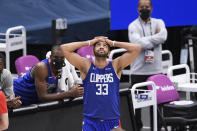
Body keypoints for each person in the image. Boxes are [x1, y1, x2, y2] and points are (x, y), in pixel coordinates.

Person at [60, 36, 141, 131]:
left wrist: (113, 43)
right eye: (98, 45)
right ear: (93, 51)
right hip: (91, 122)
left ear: (109, 52)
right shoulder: (86, 66)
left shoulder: (115, 65)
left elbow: (137, 48)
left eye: (105, 45)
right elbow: (64, 48)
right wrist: (89, 42)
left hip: (112, 121)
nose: (101, 47)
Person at [128, 0, 167, 130]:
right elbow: (138, 44)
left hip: (156, 71)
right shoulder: (133, 26)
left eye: (147, 7)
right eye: (142, 7)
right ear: (138, 8)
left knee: (156, 106)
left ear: (151, 8)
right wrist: (155, 38)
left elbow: (163, 36)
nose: (144, 9)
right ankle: (136, 128)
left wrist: (147, 40)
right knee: (136, 107)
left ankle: (155, 128)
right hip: (138, 72)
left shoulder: (159, 22)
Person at [14, 45, 84, 105]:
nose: (58, 60)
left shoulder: (63, 68)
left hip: (31, 100)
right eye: (56, 57)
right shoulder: (41, 67)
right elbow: (42, 97)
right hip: (16, 94)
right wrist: (69, 93)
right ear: (50, 57)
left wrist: (74, 90)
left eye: (61, 58)